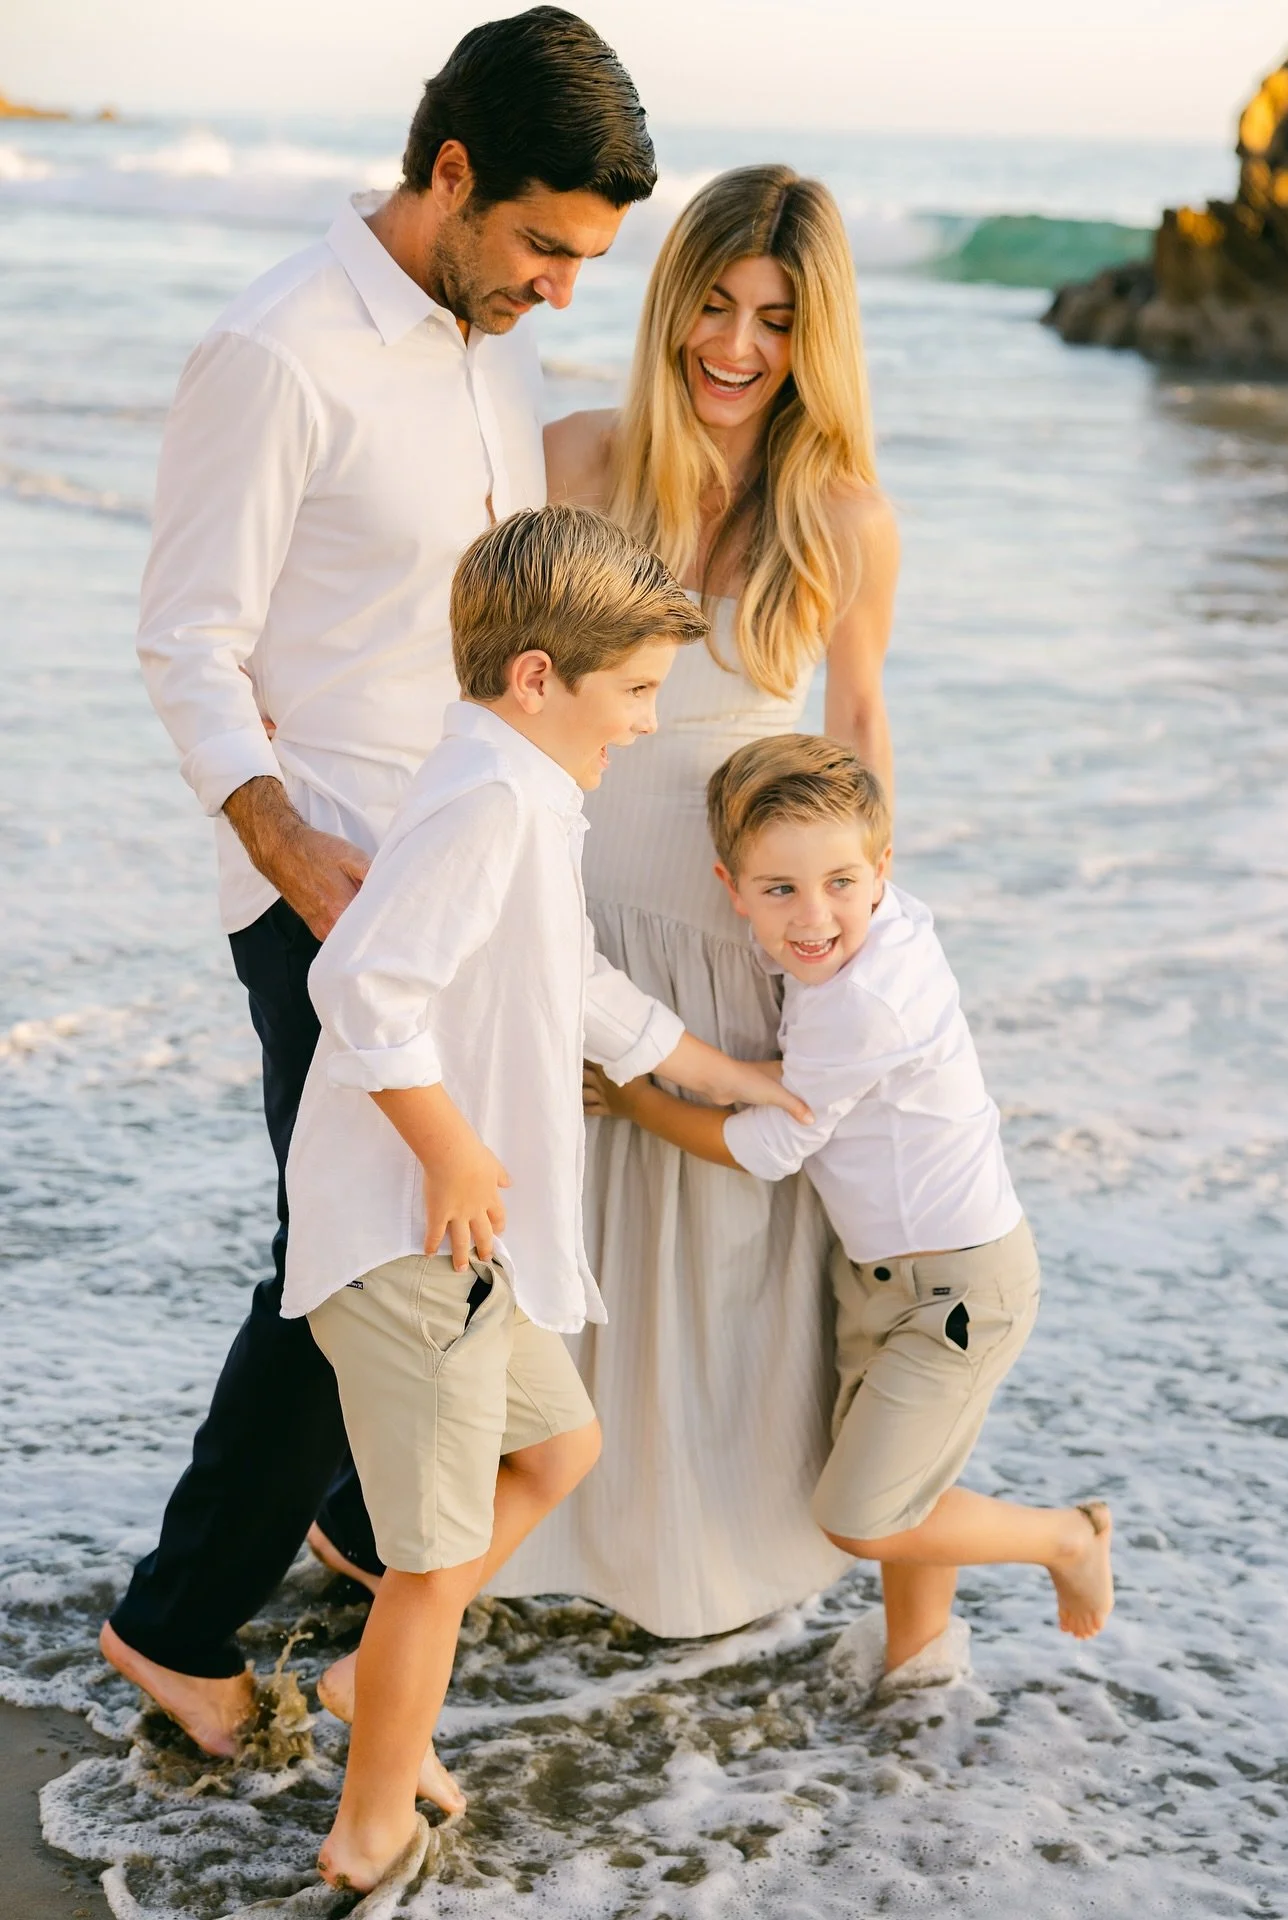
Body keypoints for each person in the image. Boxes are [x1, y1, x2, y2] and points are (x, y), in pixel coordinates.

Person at [102, 7, 658, 1757]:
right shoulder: (277, 352)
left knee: (423, 1232)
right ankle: (179, 1629)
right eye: (548, 248)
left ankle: (352, 1527)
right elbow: (187, 641)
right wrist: (280, 841)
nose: (564, 289)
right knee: (341, 1253)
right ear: (452, 173)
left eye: (592, 261)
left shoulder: (484, 339)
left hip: (469, 881)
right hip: (329, 891)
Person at [277, 508, 810, 1891]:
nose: (647, 721)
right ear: (534, 676)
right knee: (437, 1561)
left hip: (467, 1246)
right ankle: (367, 1823)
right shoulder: (486, 799)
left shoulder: (522, 788)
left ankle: (371, 1686)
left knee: (556, 1456)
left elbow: (573, 985)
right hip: (412, 1240)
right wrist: (451, 1149)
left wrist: (727, 1074)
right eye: (634, 690)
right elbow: (359, 985)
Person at [496, 164, 901, 1635]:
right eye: (715, 305)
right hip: (581, 926)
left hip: (739, 935)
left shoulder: (843, 518)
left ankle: (703, 1566)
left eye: (776, 320)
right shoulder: (579, 461)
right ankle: (536, 1551)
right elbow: (482, 690)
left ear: (818, 335)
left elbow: (858, 735)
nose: (736, 345)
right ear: (671, 301)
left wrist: (859, 957)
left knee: (724, 1261)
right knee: (571, 1236)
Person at [585, 734, 1115, 1692]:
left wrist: (634, 1101)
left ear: (881, 871)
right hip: (886, 1274)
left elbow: (769, 1145)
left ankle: (1064, 1537)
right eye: (779, 889)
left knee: (865, 1517)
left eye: (838, 882)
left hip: (956, 1290)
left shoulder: (858, 1002)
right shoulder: (885, 931)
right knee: (913, 1484)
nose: (814, 916)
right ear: (729, 886)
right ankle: (919, 1673)